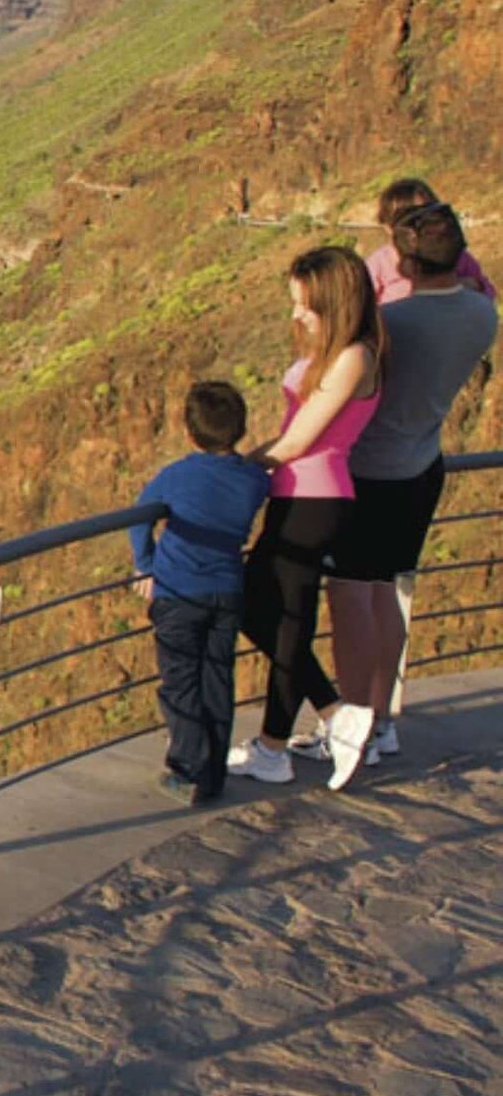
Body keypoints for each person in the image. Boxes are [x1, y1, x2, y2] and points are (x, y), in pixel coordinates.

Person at [293, 202, 498, 764]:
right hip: (421, 468)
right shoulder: (483, 315)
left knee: (351, 602)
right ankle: (381, 721)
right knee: (385, 594)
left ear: (402, 262)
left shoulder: (393, 327)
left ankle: (351, 727)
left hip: (368, 475)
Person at [228, 245, 385, 790]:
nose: (296, 315)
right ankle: (336, 712)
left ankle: (274, 747)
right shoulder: (337, 353)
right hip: (295, 497)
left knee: (286, 622)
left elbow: (299, 439)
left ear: (335, 302)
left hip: (315, 502)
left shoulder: (354, 359)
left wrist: (234, 469)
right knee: (260, 609)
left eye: (306, 305)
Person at [130, 382, 271, 804]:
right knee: (216, 678)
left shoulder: (177, 476)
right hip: (227, 589)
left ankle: (187, 769)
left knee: (180, 682)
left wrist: (146, 565)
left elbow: (139, 518)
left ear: (189, 433)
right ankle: (213, 775)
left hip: (178, 591)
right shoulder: (252, 480)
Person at [366, 177, 493, 304]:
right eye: (409, 221)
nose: (421, 224)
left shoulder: (455, 255)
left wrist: (473, 285)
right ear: (388, 227)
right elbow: (363, 304)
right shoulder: (379, 264)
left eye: (428, 215)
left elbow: (487, 292)